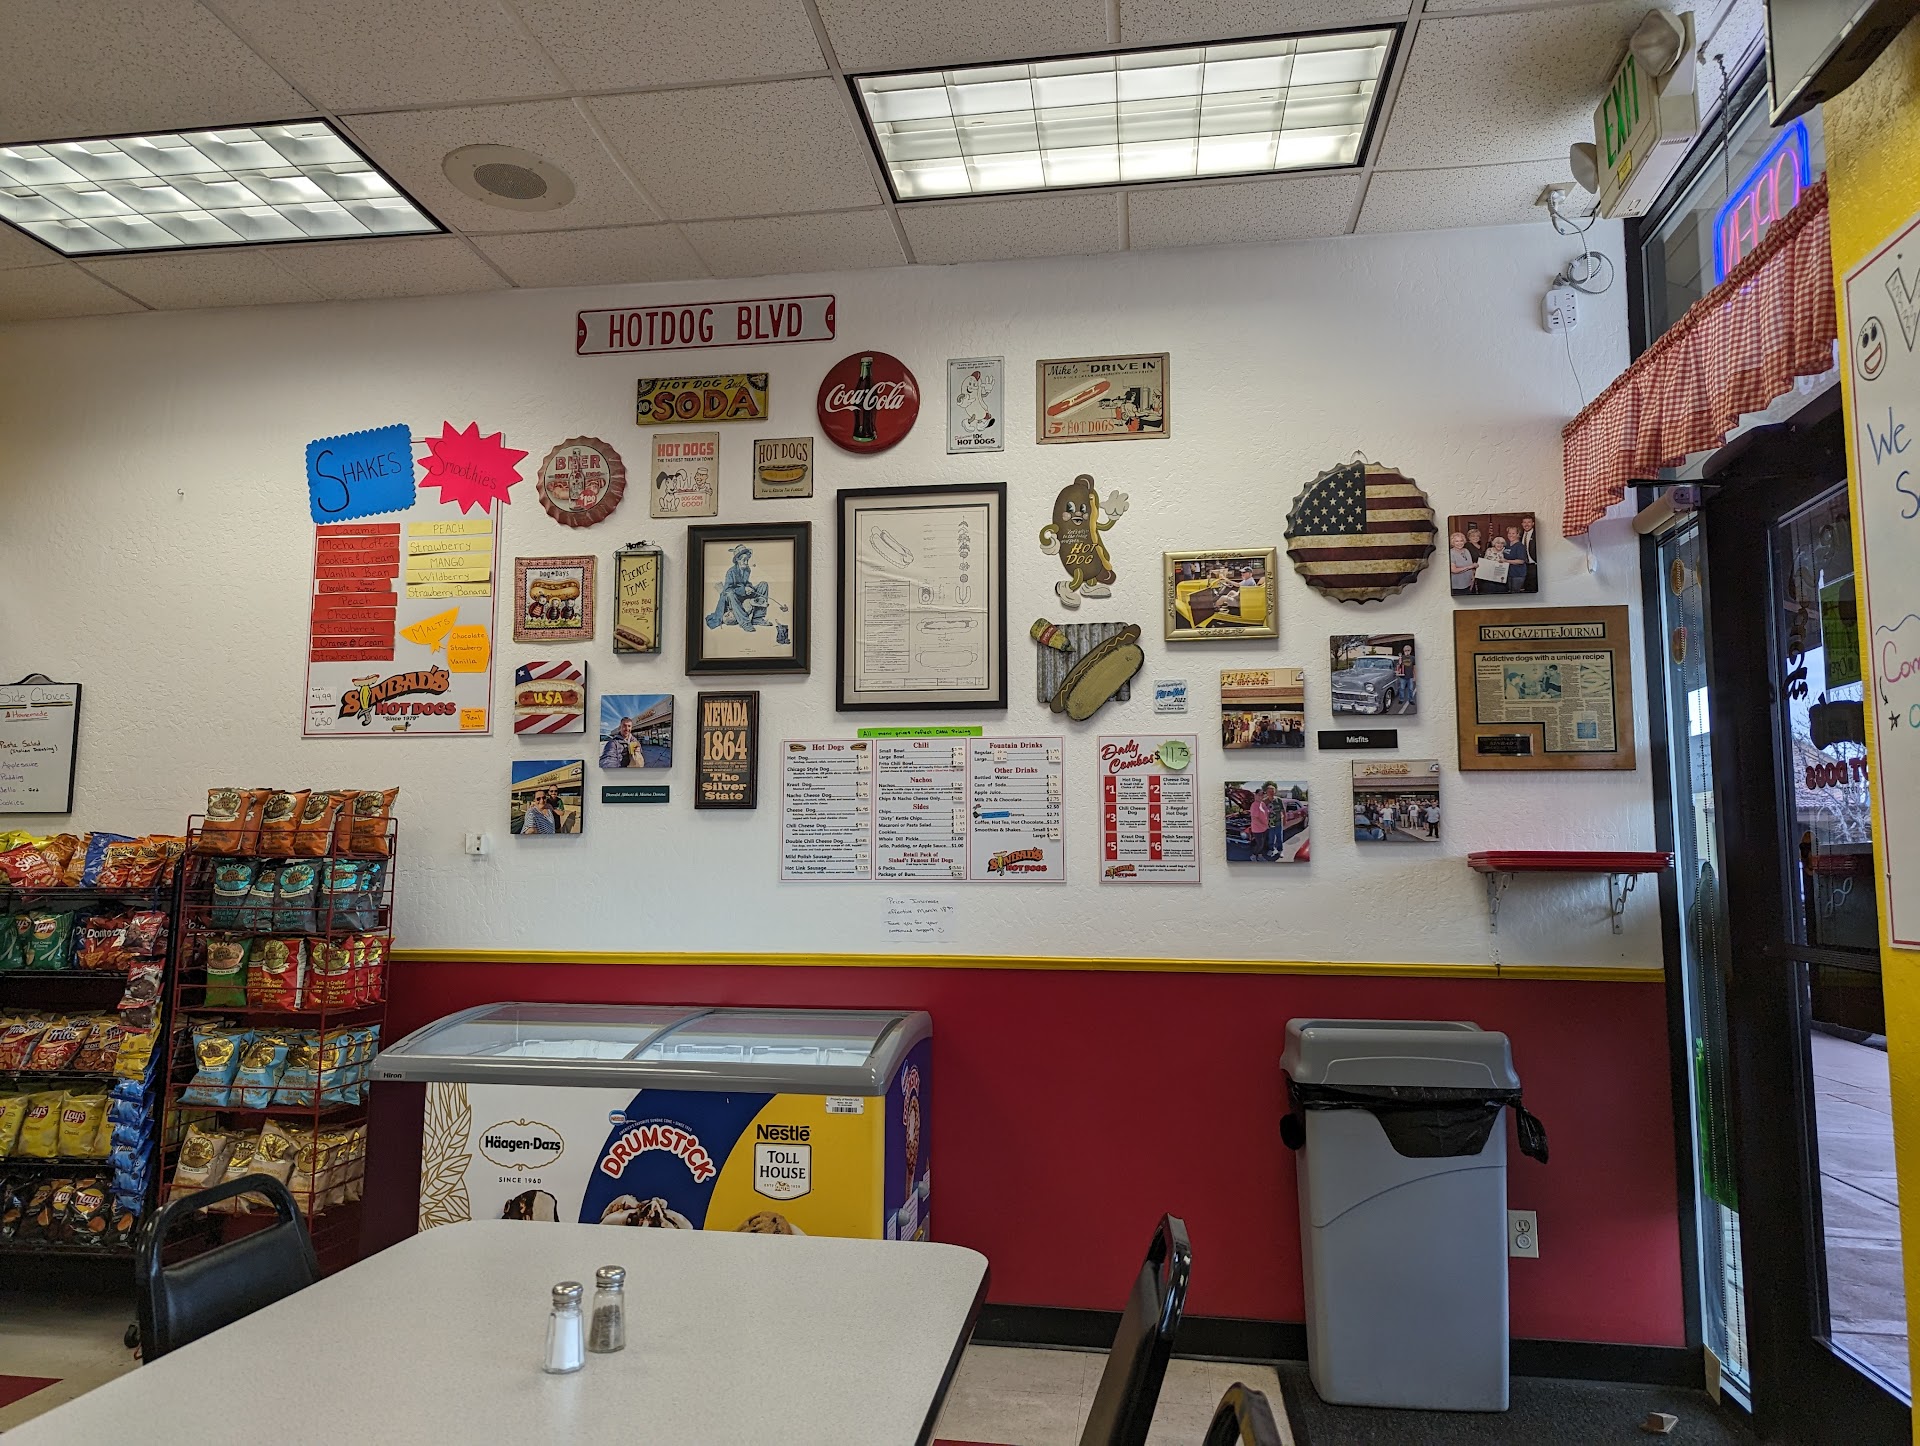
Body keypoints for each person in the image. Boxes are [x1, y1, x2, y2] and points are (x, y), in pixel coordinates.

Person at [1502, 524, 1530, 594]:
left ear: (1518, 534)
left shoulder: (1520, 546)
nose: (1511, 535)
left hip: (1518, 574)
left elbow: (1521, 561)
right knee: (1509, 592)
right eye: (1509, 533)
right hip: (1508, 573)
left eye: (1513, 533)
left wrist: (1506, 561)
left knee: (1515, 593)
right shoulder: (1507, 545)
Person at [1261, 783, 1285, 859]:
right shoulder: (1264, 801)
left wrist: (1285, 819)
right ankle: (1271, 849)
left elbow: (1283, 811)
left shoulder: (1279, 800)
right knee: (1271, 838)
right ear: (1267, 792)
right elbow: (1262, 813)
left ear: (1275, 792)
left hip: (1278, 822)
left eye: (1272, 791)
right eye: (1269, 791)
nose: (1271, 793)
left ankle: (1280, 850)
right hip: (1269, 824)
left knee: (1279, 838)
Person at [1247, 787, 1271, 861]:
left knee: (1263, 844)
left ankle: (1260, 856)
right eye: (1259, 795)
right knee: (1260, 844)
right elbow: (1255, 819)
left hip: (1264, 828)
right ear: (1255, 795)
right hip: (1257, 829)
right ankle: (1253, 855)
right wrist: (1264, 825)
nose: (1261, 796)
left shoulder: (1262, 803)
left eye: (1262, 795)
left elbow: (1266, 813)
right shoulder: (1254, 805)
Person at [1394, 644, 1415, 711]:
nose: (1407, 652)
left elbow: (1414, 667)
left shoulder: (1413, 658)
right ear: (1403, 651)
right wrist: (1398, 669)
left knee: (1410, 689)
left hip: (1410, 676)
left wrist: (1415, 676)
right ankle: (1401, 699)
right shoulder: (1401, 657)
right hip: (1403, 677)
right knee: (1402, 689)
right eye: (1406, 650)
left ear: (1410, 651)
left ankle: (1411, 700)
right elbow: (1398, 666)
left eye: (1408, 650)